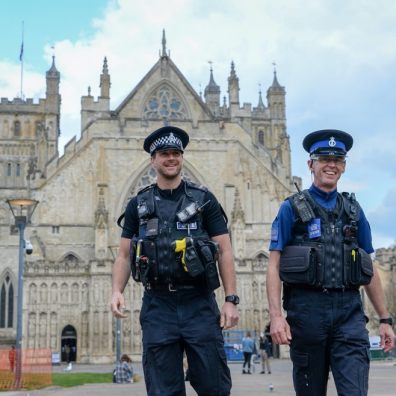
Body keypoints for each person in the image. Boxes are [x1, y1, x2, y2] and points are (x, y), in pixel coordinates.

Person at [111, 125, 239, 396]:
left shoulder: (204, 200)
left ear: (182, 157)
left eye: (176, 153)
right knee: (163, 390)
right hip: (158, 305)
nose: (171, 158)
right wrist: (116, 291)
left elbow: (225, 250)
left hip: (199, 303)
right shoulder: (138, 205)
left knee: (214, 386)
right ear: (153, 159)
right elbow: (123, 254)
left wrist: (230, 299)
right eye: (164, 153)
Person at [266, 129, 395, 395]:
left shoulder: (354, 211)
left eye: (337, 160)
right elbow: (274, 264)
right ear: (311, 164)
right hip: (307, 312)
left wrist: (385, 319)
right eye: (324, 158)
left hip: (349, 313)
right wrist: (276, 317)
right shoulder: (291, 208)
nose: (331, 165)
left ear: (344, 166)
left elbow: (369, 268)